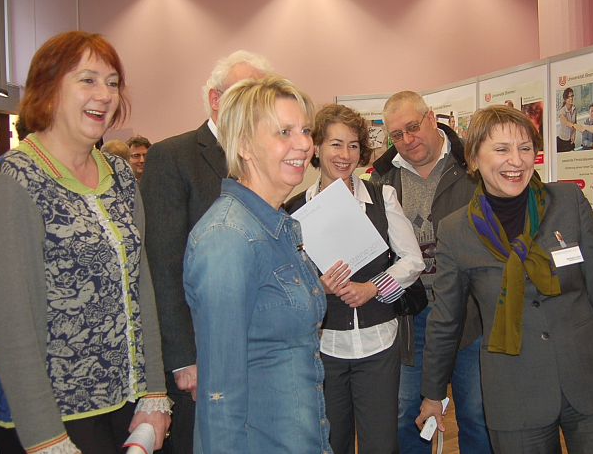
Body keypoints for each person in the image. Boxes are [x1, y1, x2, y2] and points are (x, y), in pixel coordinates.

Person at [417, 105, 593, 453]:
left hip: (590, 377)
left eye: (525, 148)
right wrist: (432, 392)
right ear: (474, 159)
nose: (516, 161)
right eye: (501, 149)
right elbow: (446, 319)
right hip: (515, 390)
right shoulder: (456, 231)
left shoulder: (566, 201)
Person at [0, 30, 171, 453]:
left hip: (125, 405)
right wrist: (45, 438)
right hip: (53, 416)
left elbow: (140, 287)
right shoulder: (16, 178)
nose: (104, 95)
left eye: (112, 82)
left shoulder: (120, 175)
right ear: (49, 89)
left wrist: (155, 391)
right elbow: (10, 322)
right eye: (87, 79)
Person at [183, 75, 330, 452]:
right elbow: (219, 397)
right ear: (244, 145)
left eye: (306, 130)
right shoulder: (227, 239)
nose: (303, 144)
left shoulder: (278, 226)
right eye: (284, 132)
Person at [140, 50, 270, 453]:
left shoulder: (262, 156)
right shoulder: (172, 157)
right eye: (246, 92)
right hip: (201, 352)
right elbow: (162, 263)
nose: (255, 104)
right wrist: (182, 358)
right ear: (216, 99)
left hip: (255, 345)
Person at [285, 104, 424, 454]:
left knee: (381, 444)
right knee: (332, 443)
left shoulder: (381, 197)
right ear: (316, 147)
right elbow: (289, 283)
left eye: (353, 145)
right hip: (325, 347)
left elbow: (412, 260)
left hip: (379, 345)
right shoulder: (295, 210)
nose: (344, 155)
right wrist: (319, 286)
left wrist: (373, 287)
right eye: (335, 144)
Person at [370, 91, 491, 454]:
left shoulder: (472, 167)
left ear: (431, 117)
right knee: (407, 413)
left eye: (413, 127)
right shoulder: (380, 181)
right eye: (397, 135)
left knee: (477, 413)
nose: (407, 140)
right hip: (412, 318)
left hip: (470, 315)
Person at [556, 88, 576, 152]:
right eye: (569, 97)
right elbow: (566, 123)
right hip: (562, 142)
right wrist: (577, 127)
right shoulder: (562, 111)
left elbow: (575, 122)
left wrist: (574, 134)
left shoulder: (575, 108)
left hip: (570, 140)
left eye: (572, 96)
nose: (571, 98)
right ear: (565, 98)